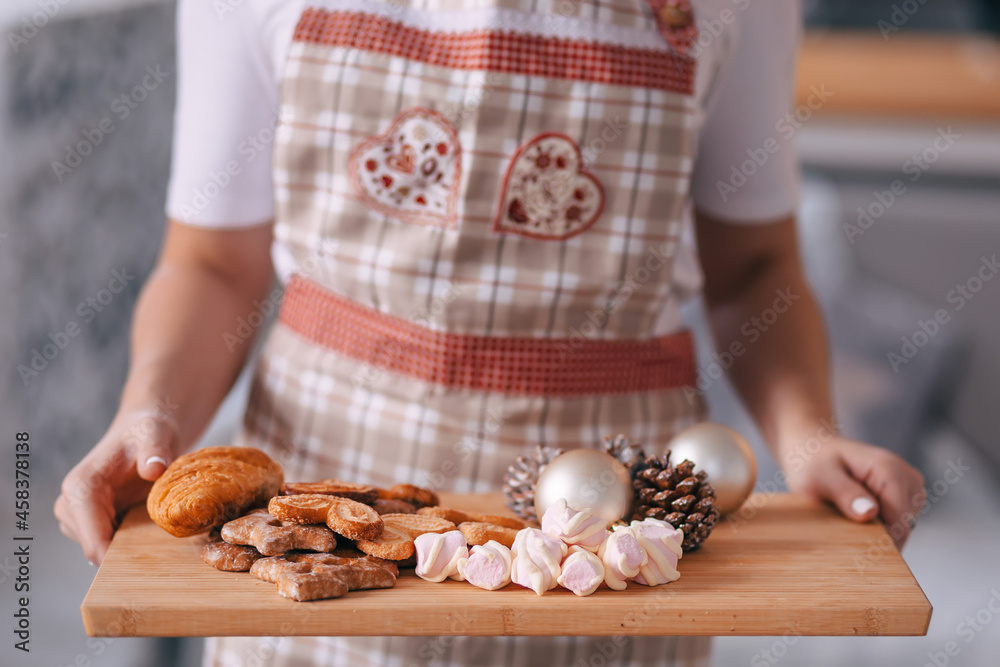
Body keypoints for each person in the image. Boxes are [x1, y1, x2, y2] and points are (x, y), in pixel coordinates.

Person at [56, 0, 926, 664]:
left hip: (609, 556)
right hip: (320, 553)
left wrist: (810, 435)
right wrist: (150, 413)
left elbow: (754, 270)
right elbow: (213, 266)